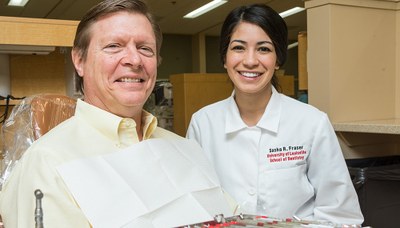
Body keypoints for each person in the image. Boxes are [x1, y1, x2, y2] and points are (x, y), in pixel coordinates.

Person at [0, 0, 234, 227]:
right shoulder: (47, 163)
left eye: (145, 48)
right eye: (114, 46)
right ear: (79, 61)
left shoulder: (184, 149)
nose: (134, 60)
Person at [186, 4, 364, 225]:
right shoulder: (203, 124)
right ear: (225, 57)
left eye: (264, 49)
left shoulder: (312, 122)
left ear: (278, 59)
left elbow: (341, 214)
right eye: (239, 48)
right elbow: (194, 206)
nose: (250, 61)